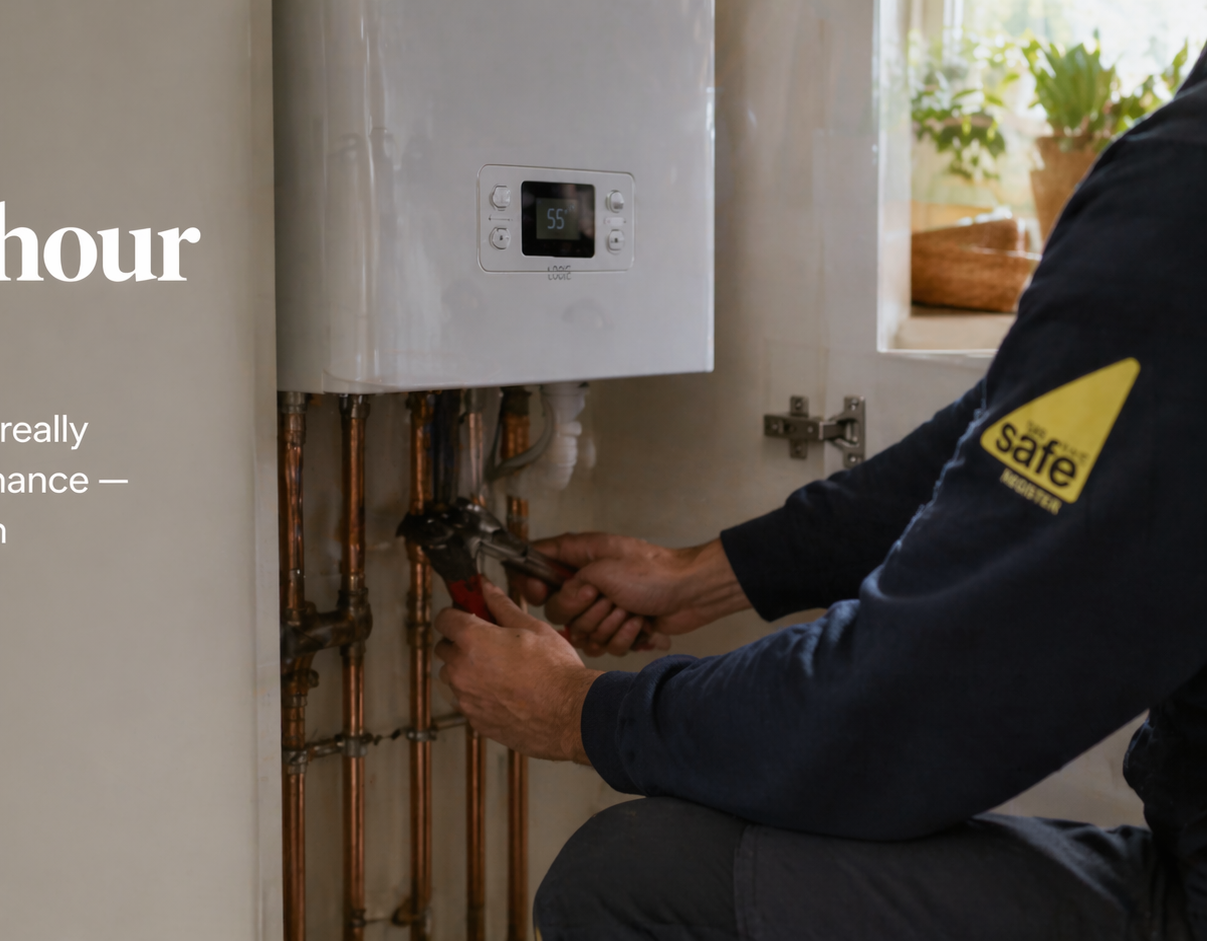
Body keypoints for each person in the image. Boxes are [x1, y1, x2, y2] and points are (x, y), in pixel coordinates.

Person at [433, 51, 1207, 941]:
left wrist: (582, 713)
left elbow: (912, 705)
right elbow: (1015, 417)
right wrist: (714, 571)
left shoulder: (1186, 190)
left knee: (630, 873)